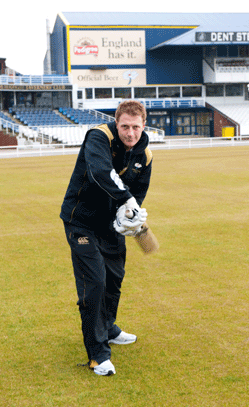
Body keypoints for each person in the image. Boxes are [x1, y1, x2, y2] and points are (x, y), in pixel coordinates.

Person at [60, 100, 152, 376]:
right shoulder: (99, 136)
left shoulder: (144, 154)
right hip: (82, 221)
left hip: (110, 224)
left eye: (136, 127)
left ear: (143, 125)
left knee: (114, 278)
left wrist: (129, 218)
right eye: (125, 126)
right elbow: (100, 172)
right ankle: (98, 355)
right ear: (117, 122)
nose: (130, 133)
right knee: (95, 284)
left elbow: (138, 191)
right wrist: (126, 201)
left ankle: (108, 328)